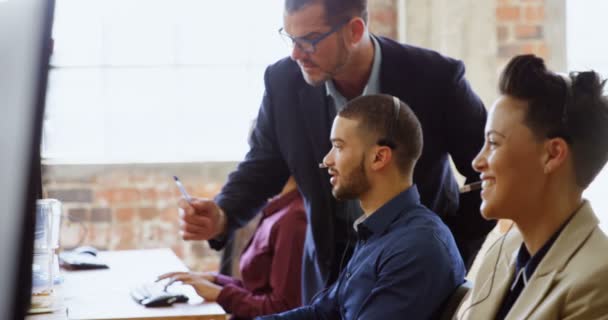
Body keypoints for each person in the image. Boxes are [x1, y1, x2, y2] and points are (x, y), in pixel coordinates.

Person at [179, 0, 491, 303]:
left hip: (415, 271)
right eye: (290, 38)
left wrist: (450, 242)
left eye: (310, 41)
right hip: (329, 270)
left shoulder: (435, 78)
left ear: (355, 31)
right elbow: (263, 164)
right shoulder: (283, 81)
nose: (296, 53)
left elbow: (490, 168)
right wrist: (223, 213)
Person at [260, 94, 465, 319]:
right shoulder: (380, 233)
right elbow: (322, 314)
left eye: (338, 147)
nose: (327, 160)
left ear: (378, 157)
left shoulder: (417, 246)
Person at [455, 54, 608, 320]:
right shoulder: (501, 251)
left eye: (493, 142)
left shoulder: (597, 279)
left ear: (552, 154)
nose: (477, 162)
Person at [159, 177, 306, 319]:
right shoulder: (278, 208)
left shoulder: (293, 219)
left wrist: (221, 294)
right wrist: (215, 280)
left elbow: (283, 308)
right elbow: (258, 289)